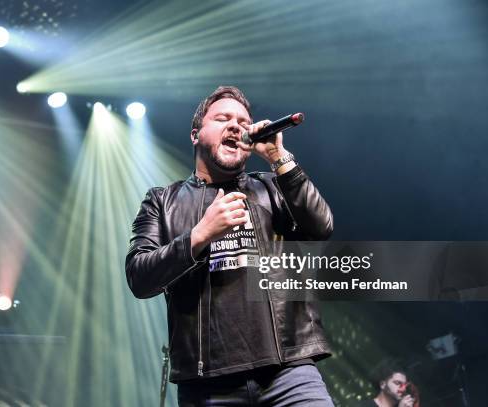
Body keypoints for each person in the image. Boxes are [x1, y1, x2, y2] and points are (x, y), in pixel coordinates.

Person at [126, 86, 334, 406]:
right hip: (207, 386)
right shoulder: (162, 201)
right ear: (196, 134)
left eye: (242, 121)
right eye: (223, 118)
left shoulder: (272, 186)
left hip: (289, 374)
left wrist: (278, 157)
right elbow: (139, 277)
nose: (235, 125)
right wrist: (199, 236)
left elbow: (321, 227)